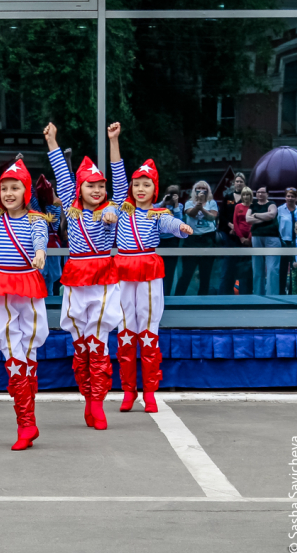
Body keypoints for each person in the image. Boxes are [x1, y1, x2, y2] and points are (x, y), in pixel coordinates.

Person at [0, 122, 49, 450]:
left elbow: (40, 236)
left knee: (26, 356)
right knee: (12, 355)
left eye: (15, 188)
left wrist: (41, 250)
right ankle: (26, 423)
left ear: (26, 191)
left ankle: (27, 423)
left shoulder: (35, 219)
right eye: (4, 188)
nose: (9, 193)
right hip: (3, 286)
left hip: (28, 287)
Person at [108, 123, 192, 414]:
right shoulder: (122, 205)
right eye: (136, 184)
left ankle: (151, 391)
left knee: (149, 330)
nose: (140, 188)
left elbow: (170, 224)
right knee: (125, 330)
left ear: (155, 189)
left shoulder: (159, 212)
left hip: (147, 270)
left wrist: (181, 227)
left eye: (146, 184)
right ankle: (128, 391)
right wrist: (114, 140)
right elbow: (117, 171)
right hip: (123, 270)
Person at [44, 122, 120, 431]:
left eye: (101, 185)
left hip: (102, 275)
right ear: (79, 189)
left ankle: (98, 404)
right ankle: (87, 398)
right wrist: (52, 141)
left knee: (99, 342)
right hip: (77, 276)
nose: (97, 190)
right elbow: (62, 173)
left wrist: (113, 142)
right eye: (91, 185)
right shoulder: (72, 210)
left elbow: (121, 180)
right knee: (81, 345)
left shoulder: (112, 210)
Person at [174, 181, 217, 296]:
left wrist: (202, 208)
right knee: (187, 273)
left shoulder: (211, 203)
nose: (201, 190)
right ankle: (178, 299)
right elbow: (191, 214)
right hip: (192, 240)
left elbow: (212, 217)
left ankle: (202, 301)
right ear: (194, 190)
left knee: (205, 274)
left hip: (208, 239)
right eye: (199, 188)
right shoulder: (189, 203)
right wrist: (198, 204)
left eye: (204, 188)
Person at [246, 186, 281, 295]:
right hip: (256, 237)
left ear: (267, 194)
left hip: (272, 237)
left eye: (262, 192)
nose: (260, 194)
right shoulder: (253, 205)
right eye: (258, 192)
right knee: (257, 268)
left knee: (272, 269)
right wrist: (264, 218)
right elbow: (248, 219)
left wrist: (256, 215)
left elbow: (271, 215)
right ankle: (258, 295)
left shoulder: (272, 204)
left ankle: (272, 295)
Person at [155, 184, 184, 296]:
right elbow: (153, 215)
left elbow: (179, 222)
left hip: (172, 241)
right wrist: (163, 203)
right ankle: (158, 295)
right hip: (159, 241)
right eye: (169, 194)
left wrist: (175, 204)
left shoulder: (179, 207)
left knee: (170, 270)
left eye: (174, 194)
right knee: (158, 271)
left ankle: (167, 295)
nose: (171, 197)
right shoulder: (158, 205)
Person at [232, 187, 254, 294]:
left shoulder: (254, 207)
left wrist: (249, 239)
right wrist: (241, 238)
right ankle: (239, 291)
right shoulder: (237, 206)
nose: (246, 197)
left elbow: (254, 223)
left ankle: (249, 291)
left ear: (251, 196)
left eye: (248, 195)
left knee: (250, 267)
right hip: (239, 240)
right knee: (240, 267)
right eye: (244, 195)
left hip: (251, 241)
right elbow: (235, 223)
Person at [278, 187, 297, 294]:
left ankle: (292, 293)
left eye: (293, 196)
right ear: (285, 197)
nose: (290, 198)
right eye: (288, 196)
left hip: (296, 243)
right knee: (283, 269)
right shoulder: (280, 210)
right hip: (283, 242)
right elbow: (276, 226)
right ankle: (281, 292)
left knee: (294, 270)